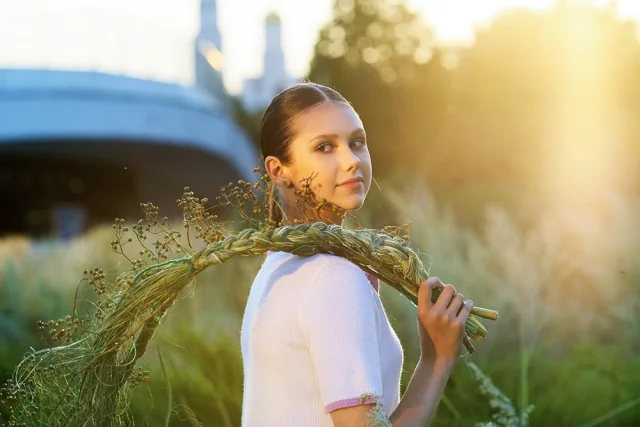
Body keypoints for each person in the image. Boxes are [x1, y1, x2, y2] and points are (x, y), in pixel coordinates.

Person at [240, 82, 474, 427]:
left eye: (357, 142)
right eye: (324, 147)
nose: (351, 160)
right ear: (278, 170)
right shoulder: (333, 276)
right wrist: (436, 360)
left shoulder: (279, 263)